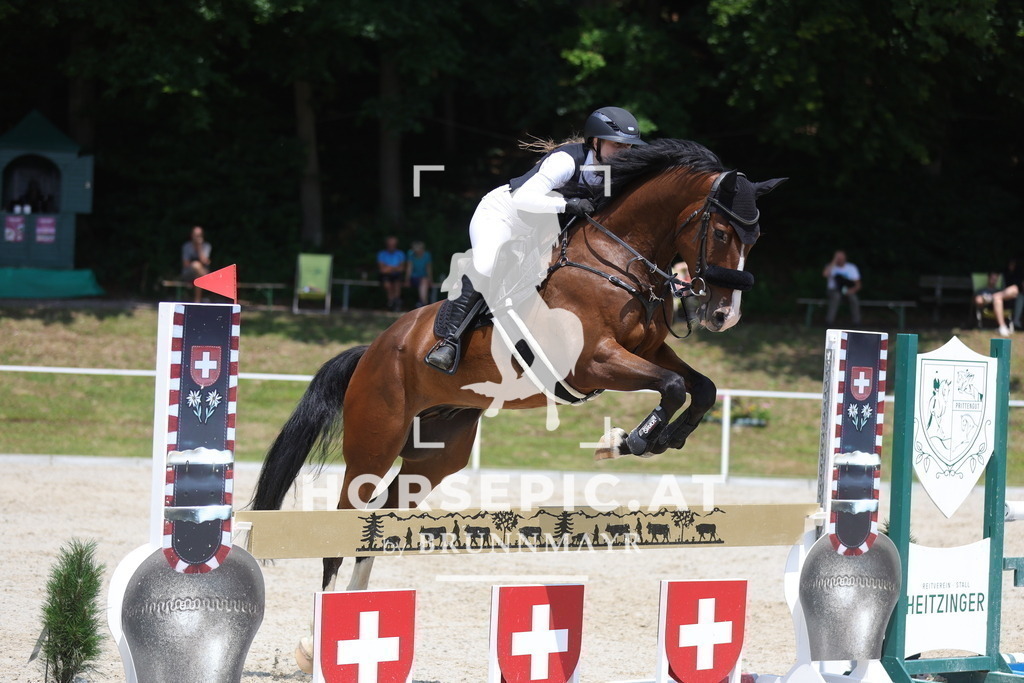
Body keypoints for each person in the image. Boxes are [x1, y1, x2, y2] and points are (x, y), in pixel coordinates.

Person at [425, 106, 647, 372]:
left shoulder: (614, 174)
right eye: (617, 146)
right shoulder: (566, 160)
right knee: (486, 265)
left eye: (629, 148)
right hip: (503, 216)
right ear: (596, 142)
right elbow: (523, 198)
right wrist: (569, 203)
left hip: (541, 231)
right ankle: (448, 341)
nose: (625, 154)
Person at [975, 259, 1021, 336]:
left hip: (1003, 304)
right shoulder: (982, 290)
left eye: (996, 279)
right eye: (993, 279)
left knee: (1014, 288)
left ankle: (994, 297)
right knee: (997, 300)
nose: (994, 281)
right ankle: (1002, 327)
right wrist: (984, 299)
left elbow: (1015, 291)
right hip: (990, 306)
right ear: (988, 278)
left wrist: (994, 296)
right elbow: (978, 301)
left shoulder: (999, 290)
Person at [823, 250, 861, 325]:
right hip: (833, 290)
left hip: (847, 289)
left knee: (854, 299)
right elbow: (825, 274)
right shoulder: (831, 266)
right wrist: (834, 261)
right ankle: (829, 322)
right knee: (836, 297)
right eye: (838, 258)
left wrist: (851, 290)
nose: (840, 260)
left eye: (841, 258)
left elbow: (858, 284)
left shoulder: (851, 267)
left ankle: (857, 322)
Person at [181, 226, 211, 303]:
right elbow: (186, 264)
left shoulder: (206, 246)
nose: (197, 237)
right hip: (188, 273)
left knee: (198, 277)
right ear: (192, 235)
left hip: (200, 274)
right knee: (196, 265)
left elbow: (204, 261)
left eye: (199, 235)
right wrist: (196, 266)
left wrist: (199, 248)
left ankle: (197, 301)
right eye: (195, 235)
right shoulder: (186, 246)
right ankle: (209, 280)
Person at [377, 236, 406, 312]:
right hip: (385, 276)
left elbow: (401, 269)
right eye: (390, 244)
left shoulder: (400, 254)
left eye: (393, 244)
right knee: (388, 285)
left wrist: (388, 267)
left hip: (396, 275)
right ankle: (391, 301)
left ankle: (394, 302)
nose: (391, 246)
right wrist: (395, 268)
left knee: (397, 283)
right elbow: (382, 270)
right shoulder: (382, 254)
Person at [405, 241, 433, 308]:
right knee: (424, 281)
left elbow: (428, 268)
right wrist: (407, 280)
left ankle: (423, 303)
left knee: (424, 281)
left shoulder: (427, 255)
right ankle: (423, 303)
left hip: (424, 279)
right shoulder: (410, 254)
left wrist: (430, 280)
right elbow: (409, 268)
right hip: (414, 278)